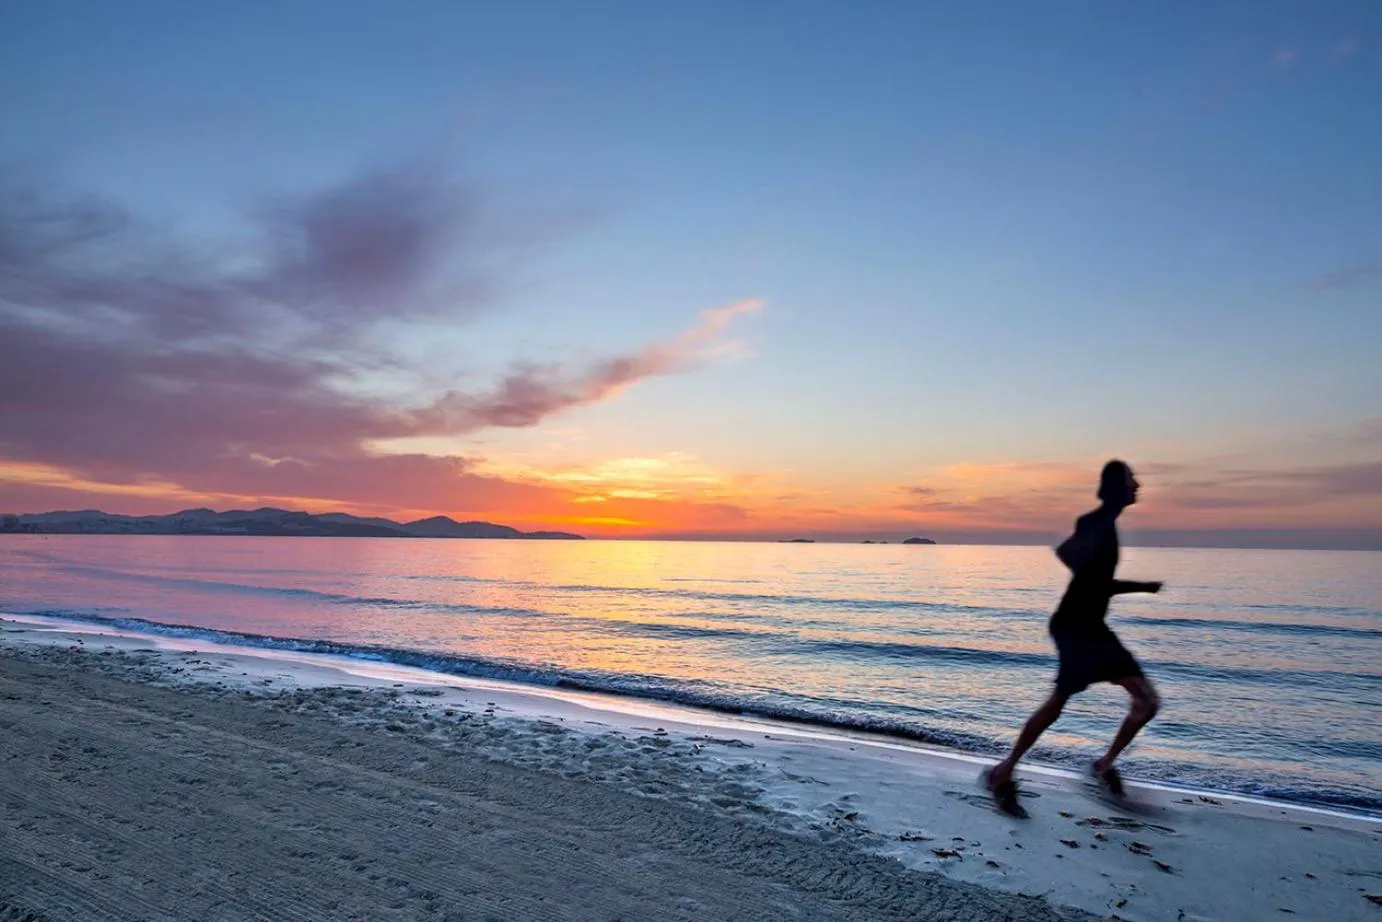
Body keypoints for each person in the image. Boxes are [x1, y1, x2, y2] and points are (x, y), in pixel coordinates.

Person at [985, 460, 1163, 817]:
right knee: (1058, 702)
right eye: (1132, 481)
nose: (1138, 485)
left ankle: (1102, 765)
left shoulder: (1102, 524)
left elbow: (1074, 561)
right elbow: (1078, 564)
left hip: (1091, 627)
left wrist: (1098, 581)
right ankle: (1003, 772)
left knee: (1147, 701)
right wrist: (1136, 586)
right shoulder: (1096, 524)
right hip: (1075, 627)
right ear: (1117, 487)